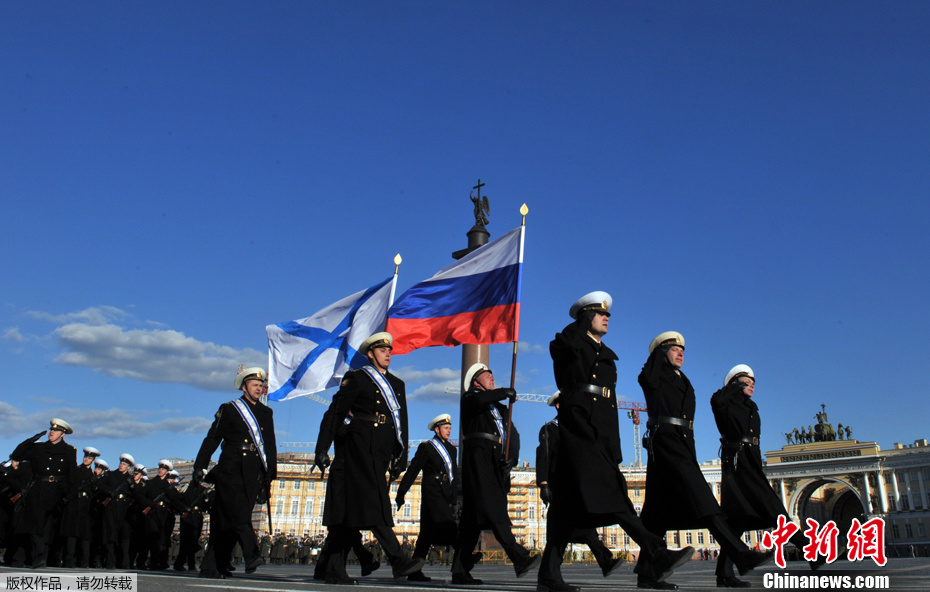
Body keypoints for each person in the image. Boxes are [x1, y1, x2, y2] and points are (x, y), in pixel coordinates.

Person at [542, 293, 694, 592]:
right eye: (599, 314)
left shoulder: (607, 353)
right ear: (585, 317)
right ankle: (655, 551)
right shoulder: (569, 343)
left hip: (602, 431)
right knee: (614, 493)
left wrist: (613, 443)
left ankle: (548, 576)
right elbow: (563, 349)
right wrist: (578, 325)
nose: (606, 317)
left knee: (564, 512)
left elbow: (609, 403)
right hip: (580, 430)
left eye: (607, 314)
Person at [636, 332, 772, 589]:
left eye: (683, 350)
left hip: (683, 444)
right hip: (666, 442)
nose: (681, 354)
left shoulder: (683, 379)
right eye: (674, 349)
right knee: (705, 500)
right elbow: (645, 377)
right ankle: (741, 554)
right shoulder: (655, 375)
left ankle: (646, 573)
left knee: (655, 514)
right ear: (661, 353)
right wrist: (655, 355)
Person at [313, 332, 425, 584]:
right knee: (375, 503)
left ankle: (332, 569)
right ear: (371, 354)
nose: (388, 353)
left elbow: (402, 422)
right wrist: (322, 449)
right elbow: (335, 413)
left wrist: (401, 455)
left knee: (349, 512)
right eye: (382, 350)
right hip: (358, 448)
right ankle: (398, 560)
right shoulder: (357, 378)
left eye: (389, 350)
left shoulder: (398, 384)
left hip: (381, 451)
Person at [711, 365, 825, 587]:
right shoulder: (725, 403)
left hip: (751, 462)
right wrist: (734, 387)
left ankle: (724, 573)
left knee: (737, 521)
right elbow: (716, 400)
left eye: (753, 382)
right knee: (774, 509)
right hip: (736, 461)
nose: (752, 384)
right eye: (746, 381)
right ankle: (812, 551)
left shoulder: (752, 406)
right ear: (734, 384)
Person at [451, 362, 540, 585]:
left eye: (492, 375)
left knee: (471, 521)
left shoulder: (499, 409)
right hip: (478, 462)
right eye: (487, 376)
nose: (492, 378)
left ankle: (459, 570)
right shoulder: (471, 399)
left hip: (495, 464)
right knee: (494, 509)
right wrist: (504, 393)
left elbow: (513, 433)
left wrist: (513, 456)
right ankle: (518, 556)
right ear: (475, 382)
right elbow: (481, 400)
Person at [194, 366, 277, 579]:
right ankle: (251, 553)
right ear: (244, 387)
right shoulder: (230, 409)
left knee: (225, 519)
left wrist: (269, 477)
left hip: (253, 471)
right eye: (255, 385)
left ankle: (213, 565)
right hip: (230, 466)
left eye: (261, 385)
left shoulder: (266, 412)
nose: (259, 389)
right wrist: (199, 466)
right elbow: (213, 438)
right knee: (236, 512)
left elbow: (270, 445)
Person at [536, 393, 622, 582]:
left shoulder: (577, 428)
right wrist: (543, 483)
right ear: (559, 406)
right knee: (567, 529)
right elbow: (544, 456)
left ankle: (603, 560)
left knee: (580, 526)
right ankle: (551, 575)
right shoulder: (551, 429)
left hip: (576, 485)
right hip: (559, 485)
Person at [395, 413, 461, 582]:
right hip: (432, 494)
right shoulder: (427, 447)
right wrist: (402, 491)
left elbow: (455, 475)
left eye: (450, 428)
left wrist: (455, 497)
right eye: (446, 428)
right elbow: (413, 470)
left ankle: (414, 571)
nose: (449, 431)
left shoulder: (452, 450)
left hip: (445, 495)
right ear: (437, 430)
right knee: (450, 527)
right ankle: (463, 561)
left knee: (426, 535)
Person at [12, 418, 77, 568]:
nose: (51, 432)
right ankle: (37, 558)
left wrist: (71, 495)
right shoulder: (39, 448)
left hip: (58, 492)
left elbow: (71, 474)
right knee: (35, 525)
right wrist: (30, 441)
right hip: (38, 490)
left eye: (56, 431)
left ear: (63, 434)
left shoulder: (69, 451)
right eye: (51, 430)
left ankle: (45, 556)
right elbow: (17, 455)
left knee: (49, 527)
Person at [60, 446, 100, 568]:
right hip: (75, 503)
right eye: (85, 457)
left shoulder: (93, 476)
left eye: (89, 458)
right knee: (71, 533)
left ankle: (84, 562)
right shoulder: (77, 471)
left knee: (85, 535)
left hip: (86, 506)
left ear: (93, 460)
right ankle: (69, 561)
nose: (86, 459)